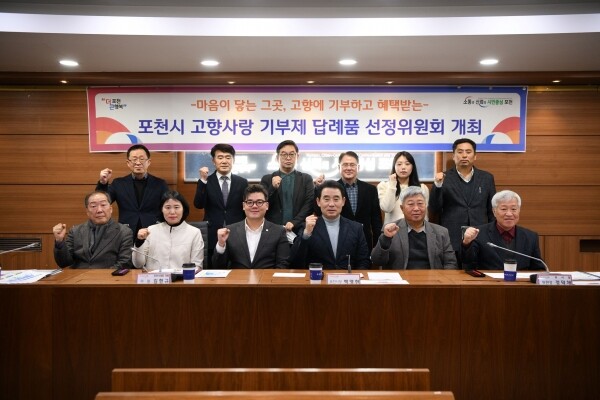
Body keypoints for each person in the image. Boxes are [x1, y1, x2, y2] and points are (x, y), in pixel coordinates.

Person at [428, 138, 496, 262]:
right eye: (460, 152)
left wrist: (493, 236)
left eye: (468, 152)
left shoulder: (486, 178)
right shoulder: (444, 178)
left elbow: (492, 211)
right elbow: (434, 208)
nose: (464, 155)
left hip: (480, 236)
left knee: (478, 272)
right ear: (453, 156)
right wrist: (438, 185)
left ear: (475, 156)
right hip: (452, 238)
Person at [371, 186, 457, 270]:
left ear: (426, 206)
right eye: (411, 204)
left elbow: (450, 263)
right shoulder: (391, 230)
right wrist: (386, 238)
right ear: (402, 208)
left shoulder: (441, 232)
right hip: (401, 278)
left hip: (433, 278)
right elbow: (377, 261)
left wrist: (443, 278)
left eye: (420, 203)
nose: (416, 208)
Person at [290, 180, 370, 270]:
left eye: (336, 199)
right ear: (318, 202)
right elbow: (295, 262)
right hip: (318, 277)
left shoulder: (356, 228)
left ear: (343, 201)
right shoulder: (307, 227)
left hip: (347, 278)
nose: (331, 204)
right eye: (326, 199)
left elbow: (364, 261)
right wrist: (306, 234)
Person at [461, 190, 545, 270]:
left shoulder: (530, 237)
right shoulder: (478, 233)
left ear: (519, 210)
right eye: (504, 209)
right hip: (489, 280)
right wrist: (466, 243)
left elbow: (538, 268)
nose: (509, 214)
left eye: (513, 209)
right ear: (494, 211)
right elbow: (467, 262)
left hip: (520, 280)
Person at [96, 144, 169, 237]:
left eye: (142, 159)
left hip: (152, 231)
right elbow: (102, 201)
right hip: (126, 232)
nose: (138, 163)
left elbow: (168, 206)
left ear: (148, 162)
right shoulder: (119, 183)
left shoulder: (160, 184)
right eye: (134, 159)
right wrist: (103, 183)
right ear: (128, 163)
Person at [193, 143, 248, 267]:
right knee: (214, 268)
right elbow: (198, 204)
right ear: (213, 161)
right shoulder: (206, 181)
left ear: (233, 160)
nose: (224, 161)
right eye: (220, 157)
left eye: (228, 157)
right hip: (212, 232)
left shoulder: (242, 182)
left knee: (237, 269)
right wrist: (202, 181)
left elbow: (246, 207)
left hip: (237, 232)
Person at [212, 184, 289, 269]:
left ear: (267, 206)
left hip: (266, 277)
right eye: (249, 202)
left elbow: (283, 265)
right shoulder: (230, 231)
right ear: (244, 206)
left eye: (259, 202)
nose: (254, 206)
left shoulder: (278, 231)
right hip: (238, 277)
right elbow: (218, 267)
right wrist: (221, 244)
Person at [53, 191, 133, 269]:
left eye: (103, 205)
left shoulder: (124, 232)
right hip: (79, 277)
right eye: (94, 206)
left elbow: (124, 263)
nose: (99, 210)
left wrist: (99, 276)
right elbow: (63, 263)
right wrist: (59, 241)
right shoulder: (75, 231)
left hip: (108, 277)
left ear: (111, 209)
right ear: (87, 211)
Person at [132, 190, 203, 271]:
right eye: (168, 207)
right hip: (154, 278)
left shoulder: (194, 232)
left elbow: (197, 266)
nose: (172, 212)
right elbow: (138, 264)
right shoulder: (151, 230)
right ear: (161, 209)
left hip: (182, 278)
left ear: (183, 209)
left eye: (176, 207)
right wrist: (139, 242)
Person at [261, 140, 315, 236]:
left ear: (297, 156)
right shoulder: (267, 179)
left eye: (292, 154)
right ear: (277, 157)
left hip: (299, 229)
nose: (288, 158)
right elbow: (262, 204)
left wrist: (294, 222)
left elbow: (309, 204)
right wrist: (272, 188)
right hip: (273, 230)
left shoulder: (306, 179)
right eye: (284, 154)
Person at [337, 151, 382, 252]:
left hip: (365, 241)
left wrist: (377, 246)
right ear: (339, 167)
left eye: (352, 165)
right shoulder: (333, 189)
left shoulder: (370, 190)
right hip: (339, 241)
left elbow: (376, 221)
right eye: (345, 165)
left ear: (358, 167)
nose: (349, 168)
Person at [377, 151, 429, 225]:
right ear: (394, 166)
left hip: (416, 229)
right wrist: (392, 185)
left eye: (407, 164)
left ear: (412, 167)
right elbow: (387, 208)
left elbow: (424, 214)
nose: (403, 167)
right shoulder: (384, 186)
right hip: (392, 230)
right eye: (399, 164)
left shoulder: (422, 188)